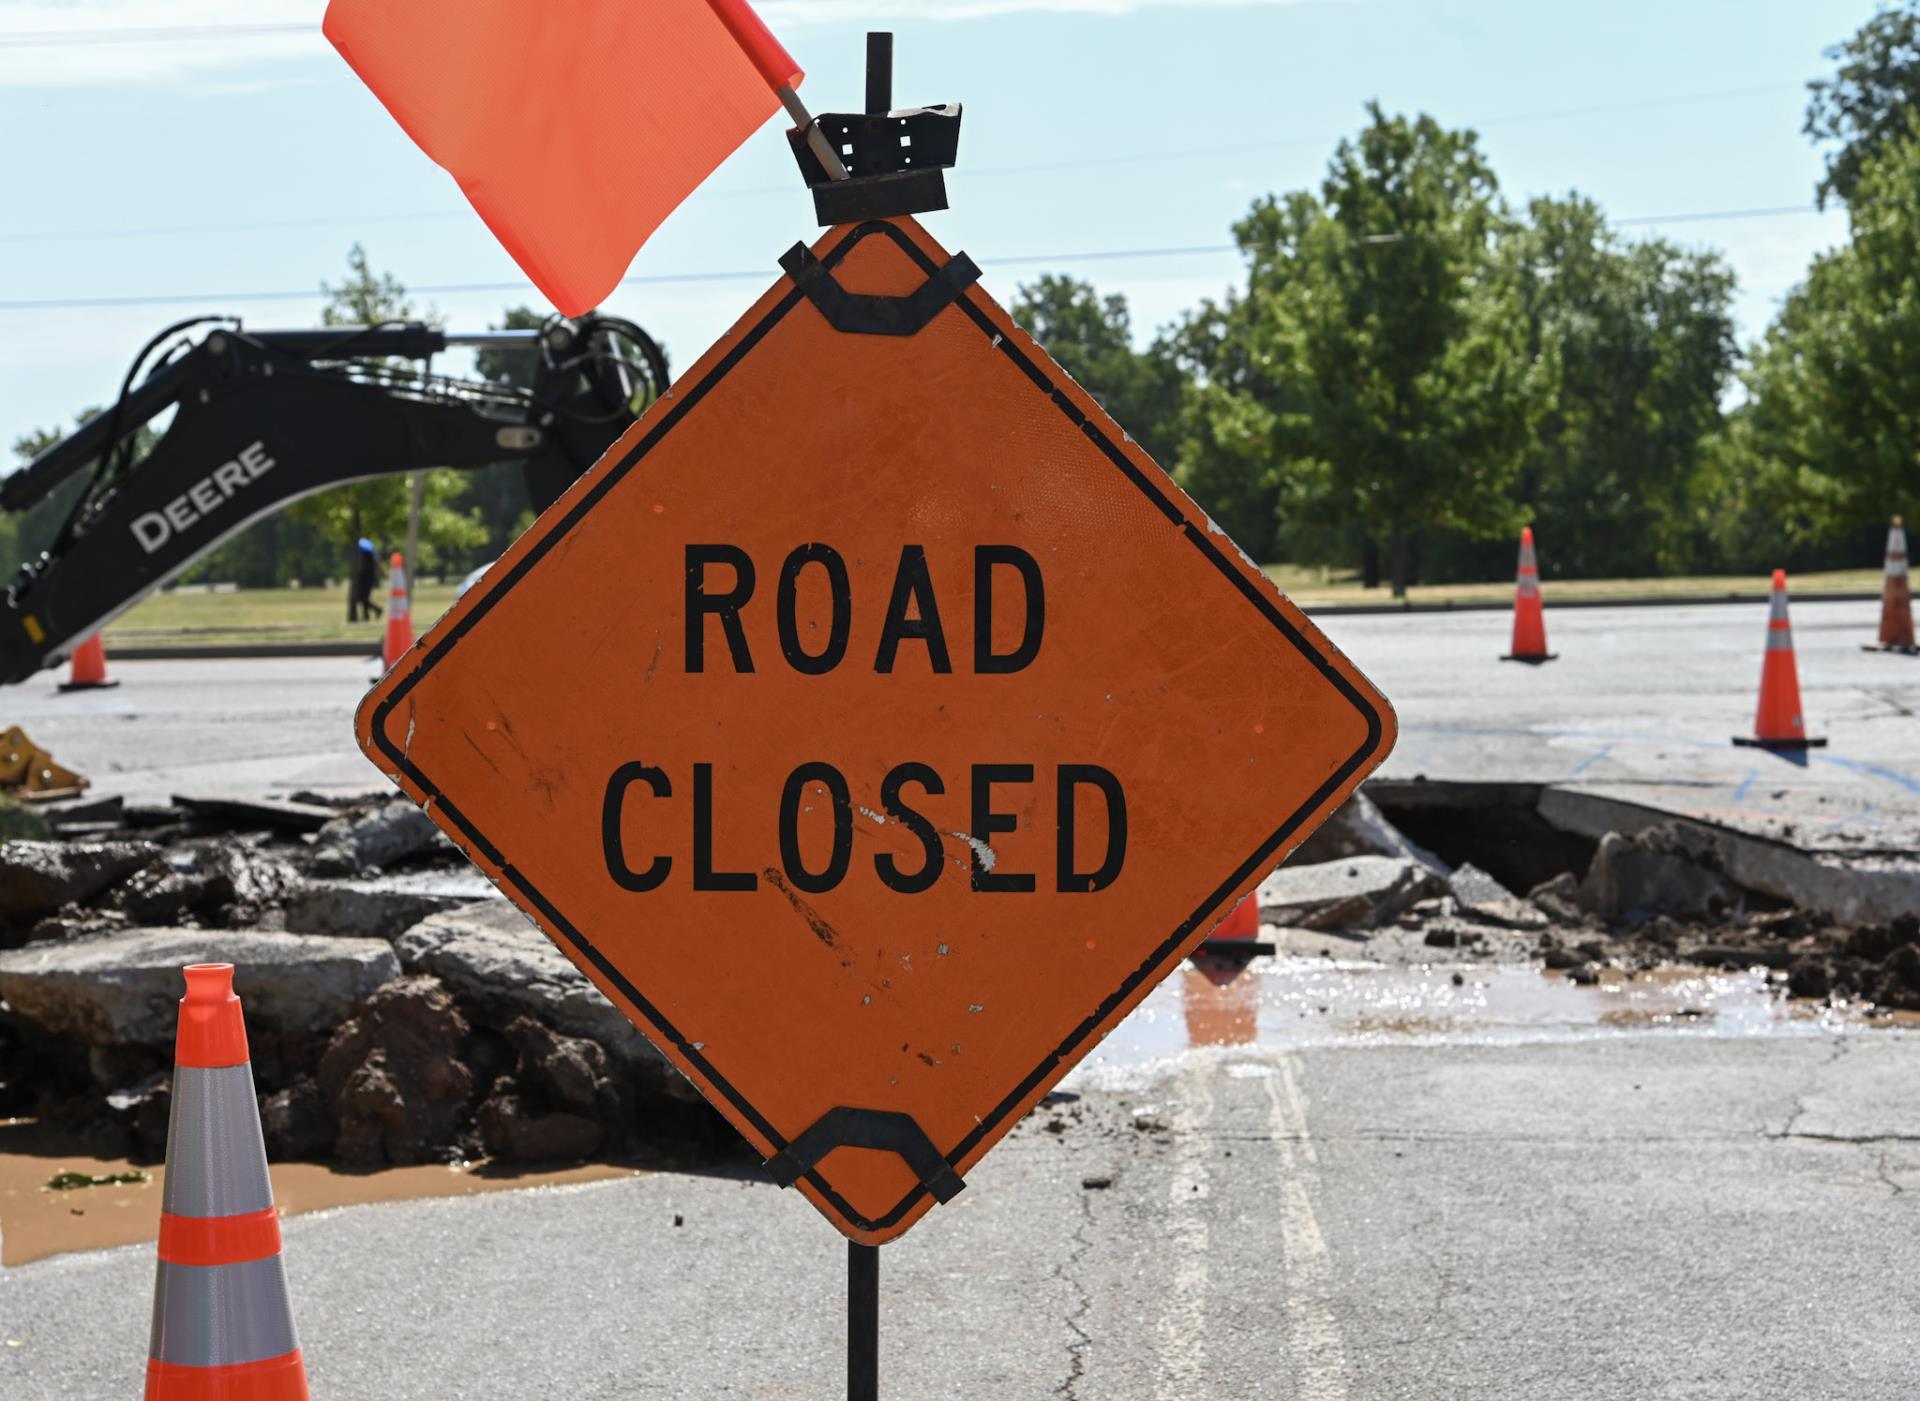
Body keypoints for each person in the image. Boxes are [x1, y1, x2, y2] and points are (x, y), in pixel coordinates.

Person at [350, 537, 384, 622]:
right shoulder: (370, 552)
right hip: (370, 577)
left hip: (364, 577)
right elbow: (377, 564)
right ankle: (366, 616)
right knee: (364, 597)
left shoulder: (361, 551)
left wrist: (357, 573)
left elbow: (361, 564)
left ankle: (377, 609)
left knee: (361, 598)